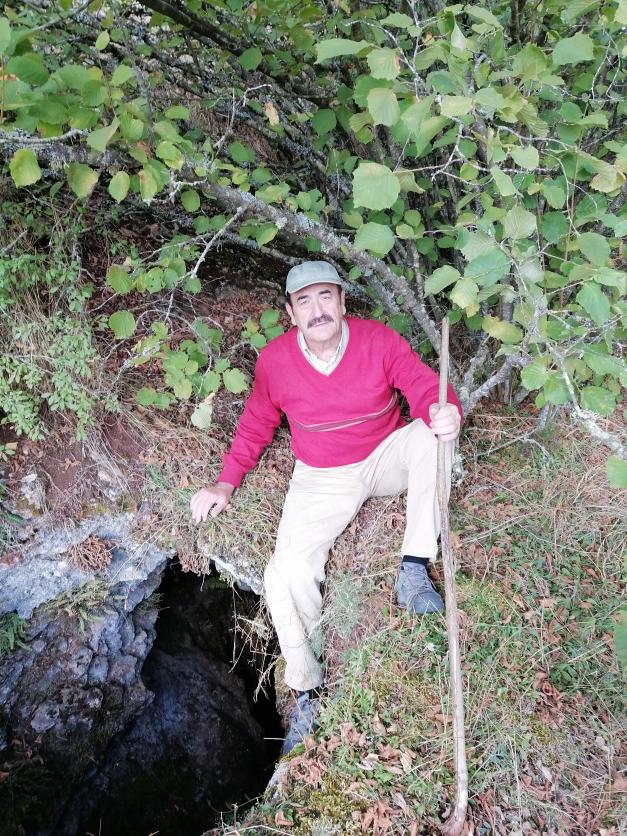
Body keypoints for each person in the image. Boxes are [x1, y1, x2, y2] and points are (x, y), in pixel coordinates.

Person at [190, 260, 462, 755]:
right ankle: (309, 689)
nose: (317, 310)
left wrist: (443, 410)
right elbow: (256, 423)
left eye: (325, 298)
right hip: (322, 475)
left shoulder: (377, 340)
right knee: (283, 574)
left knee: (432, 436)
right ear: (291, 312)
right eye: (304, 301)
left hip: (385, 455)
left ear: (341, 302)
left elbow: (423, 384)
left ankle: (413, 568)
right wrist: (225, 483)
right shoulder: (275, 362)